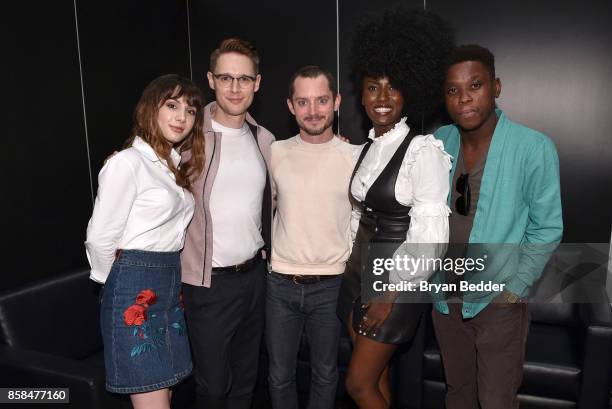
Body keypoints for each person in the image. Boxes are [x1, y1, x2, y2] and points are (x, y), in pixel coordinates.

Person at [431, 44, 563, 409]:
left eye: (476, 85)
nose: (464, 99)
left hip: (498, 302)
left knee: (496, 401)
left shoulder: (533, 147)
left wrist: (515, 289)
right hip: (445, 301)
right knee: (458, 394)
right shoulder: (438, 142)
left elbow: (547, 228)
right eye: (453, 90)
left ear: (497, 87)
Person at [336, 8, 454, 409]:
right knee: (378, 377)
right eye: (372, 88)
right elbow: (359, 216)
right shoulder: (368, 147)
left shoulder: (424, 152)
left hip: (394, 282)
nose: (382, 98)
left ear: (410, 92)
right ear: (362, 95)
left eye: (392, 87)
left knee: (358, 385)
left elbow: (432, 236)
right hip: (357, 274)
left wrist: (392, 292)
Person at [85, 74, 205, 409]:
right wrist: (116, 283)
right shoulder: (128, 163)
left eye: (191, 110)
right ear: (150, 109)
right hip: (133, 287)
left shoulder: (173, 167)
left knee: (165, 389)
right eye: (172, 105)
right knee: (153, 397)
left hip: (169, 285)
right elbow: (99, 238)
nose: (182, 116)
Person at [180, 38, 274, 409]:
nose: (235, 88)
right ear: (210, 80)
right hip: (207, 284)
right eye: (226, 78)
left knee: (244, 384)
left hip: (254, 278)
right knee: (214, 388)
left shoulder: (264, 139)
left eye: (244, 79)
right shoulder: (187, 135)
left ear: (257, 83)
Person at [266, 65, 358, 409]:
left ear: (336, 102)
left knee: (325, 374)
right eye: (303, 102)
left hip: (332, 286)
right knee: (278, 375)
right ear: (291, 106)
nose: (313, 110)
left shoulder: (356, 156)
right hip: (280, 284)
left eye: (321, 100)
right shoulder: (274, 152)